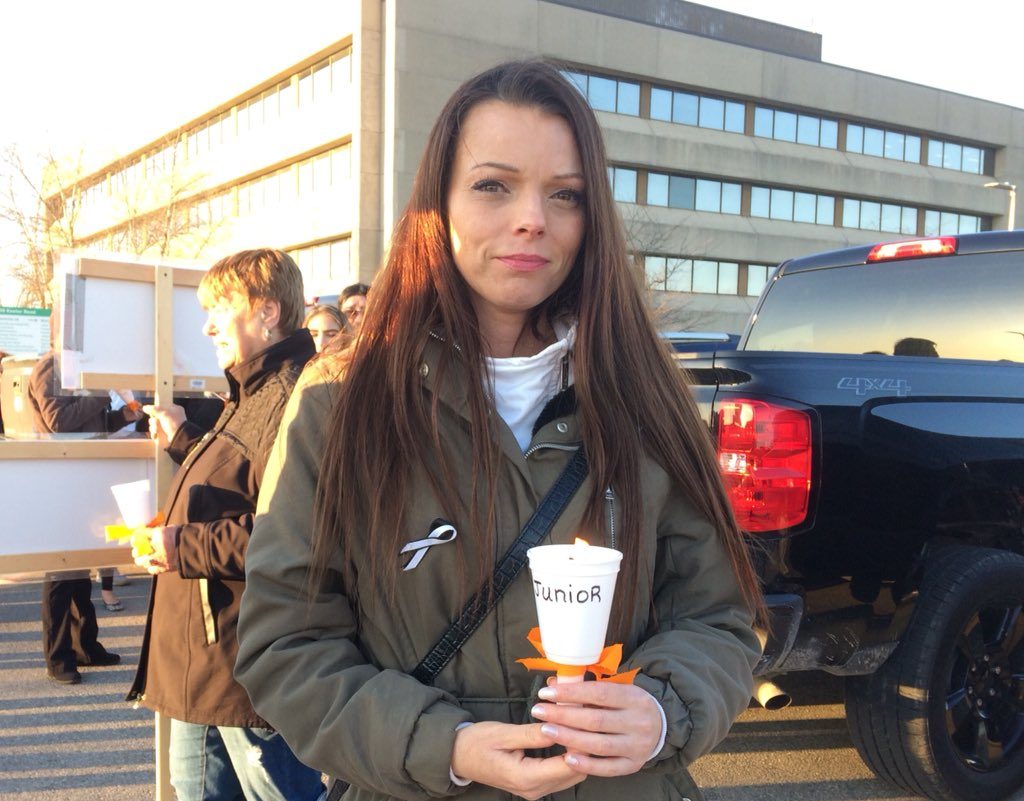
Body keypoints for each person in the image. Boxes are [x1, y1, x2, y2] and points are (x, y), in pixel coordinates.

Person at [235, 61, 762, 801]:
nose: (532, 219)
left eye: (565, 194)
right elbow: (285, 645)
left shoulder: (645, 394)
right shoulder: (342, 402)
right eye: (493, 185)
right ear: (437, 204)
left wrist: (661, 708)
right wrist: (443, 745)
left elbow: (719, 618)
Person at [127, 249, 323, 801]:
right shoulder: (250, 390)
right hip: (205, 662)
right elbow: (245, 482)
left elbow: (293, 533)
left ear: (267, 312)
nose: (208, 324)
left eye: (221, 307)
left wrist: (179, 545)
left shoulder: (293, 396)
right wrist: (186, 442)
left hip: (243, 661)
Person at [27, 350, 139, 684]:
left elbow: (94, 424)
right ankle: (59, 656)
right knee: (63, 570)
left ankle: (85, 646)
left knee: (81, 563)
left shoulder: (80, 368)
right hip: (61, 475)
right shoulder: (50, 366)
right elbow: (57, 421)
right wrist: (103, 392)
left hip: (83, 473)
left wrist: (126, 416)